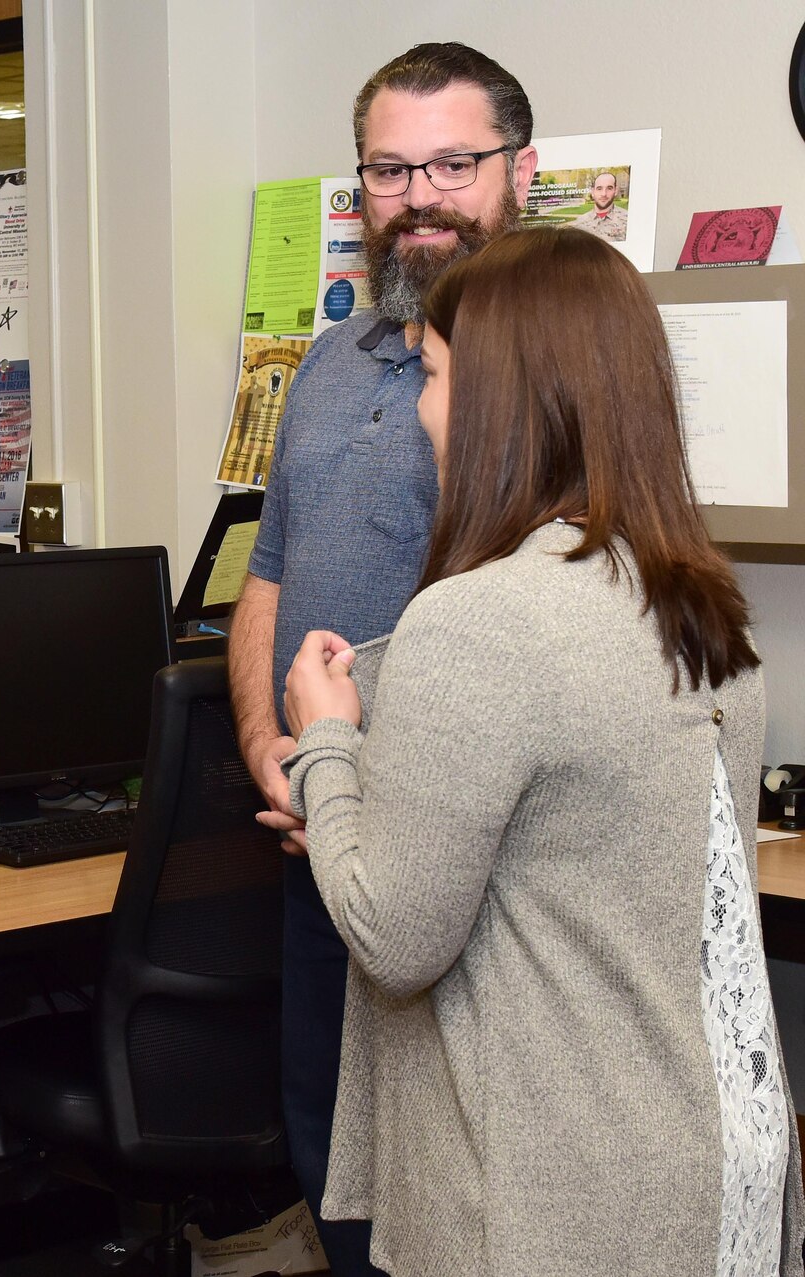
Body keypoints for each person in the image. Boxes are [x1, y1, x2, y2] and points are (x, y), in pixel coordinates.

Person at [280, 226, 803, 1275]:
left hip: (545, 1183)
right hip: (711, 1156)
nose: (421, 409)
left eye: (431, 374)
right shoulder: (700, 610)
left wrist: (325, 740)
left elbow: (393, 934)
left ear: (495, 399)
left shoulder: (480, 621)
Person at [224, 42, 536, 1277]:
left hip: (468, 887)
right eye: (389, 169)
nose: (420, 196)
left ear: (522, 169)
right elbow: (264, 580)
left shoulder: (558, 372)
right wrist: (272, 749)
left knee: (458, 1205)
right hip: (318, 854)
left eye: (452, 162)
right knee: (333, 1173)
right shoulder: (331, 365)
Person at [571, 170, 629, 240]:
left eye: (609, 188)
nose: (604, 194)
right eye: (599, 188)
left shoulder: (627, 219)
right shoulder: (580, 222)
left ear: (615, 191)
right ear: (593, 192)